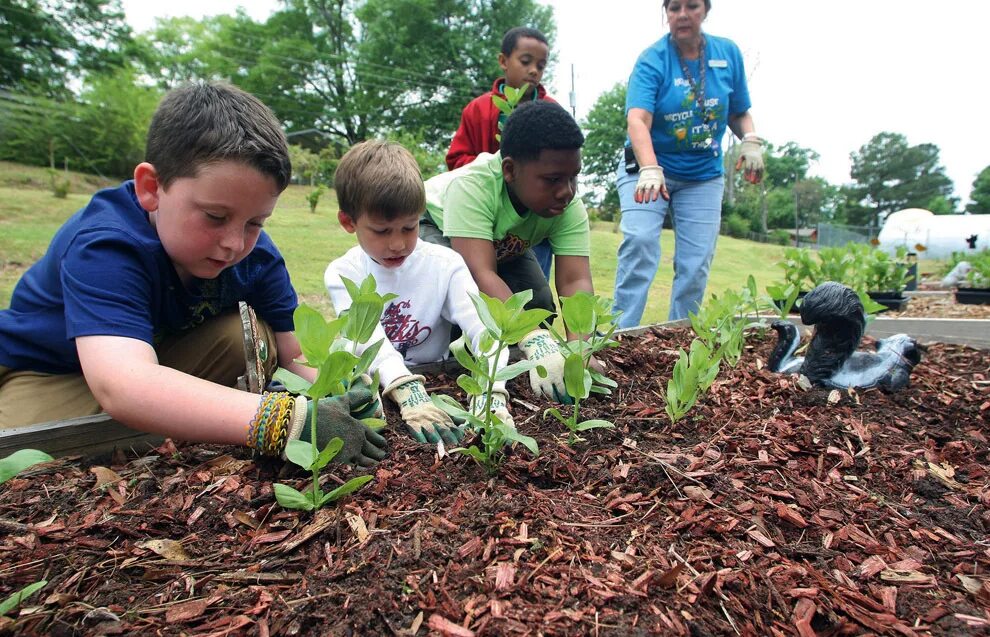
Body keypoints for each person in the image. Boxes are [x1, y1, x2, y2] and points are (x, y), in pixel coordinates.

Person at [0, 82, 387, 466]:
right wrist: (283, 420)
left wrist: (343, 391)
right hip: (49, 371)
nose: (234, 243)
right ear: (151, 188)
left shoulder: (257, 256)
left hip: (151, 357)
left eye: (255, 222)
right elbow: (123, 385)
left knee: (247, 335)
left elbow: (296, 351)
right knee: (29, 461)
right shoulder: (107, 244)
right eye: (215, 217)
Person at [326, 140, 513, 446]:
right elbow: (369, 342)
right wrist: (405, 388)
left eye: (409, 228)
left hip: (437, 379)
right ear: (349, 222)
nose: (398, 244)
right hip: (378, 390)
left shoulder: (445, 264)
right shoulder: (344, 273)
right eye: (382, 231)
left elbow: (486, 330)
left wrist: (492, 389)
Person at [421, 100, 595, 404]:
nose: (566, 190)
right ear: (510, 170)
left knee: (538, 304)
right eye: (553, 179)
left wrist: (580, 349)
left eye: (574, 176)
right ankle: (453, 371)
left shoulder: (568, 206)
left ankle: (518, 361)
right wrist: (532, 337)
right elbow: (479, 273)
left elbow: (574, 281)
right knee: (457, 308)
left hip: (499, 243)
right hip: (434, 227)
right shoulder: (473, 187)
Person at [613, 0, 765, 327]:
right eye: (674, 7)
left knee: (695, 265)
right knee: (639, 243)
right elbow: (638, 119)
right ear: (665, 13)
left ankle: (677, 344)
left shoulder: (728, 54)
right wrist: (651, 168)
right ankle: (617, 339)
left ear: (706, 10)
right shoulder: (652, 60)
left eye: (692, 6)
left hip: (702, 177)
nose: (683, 14)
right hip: (646, 169)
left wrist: (750, 139)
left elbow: (738, 113)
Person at [445, 26, 557, 281]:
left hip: (532, 218)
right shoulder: (479, 109)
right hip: (483, 214)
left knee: (533, 284)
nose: (534, 71)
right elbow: (456, 160)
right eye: (526, 61)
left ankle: (532, 320)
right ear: (503, 61)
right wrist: (493, 171)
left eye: (541, 65)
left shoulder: (552, 113)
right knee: (479, 278)